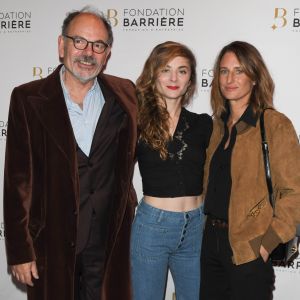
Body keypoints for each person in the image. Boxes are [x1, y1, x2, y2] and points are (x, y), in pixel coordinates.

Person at [4, 6, 137, 300]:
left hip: (108, 247)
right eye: (79, 41)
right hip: (51, 244)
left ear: (108, 53)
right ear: (61, 45)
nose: (88, 52)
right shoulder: (28, 99)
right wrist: (19, 251)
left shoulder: (126, 95)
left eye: (98, 45)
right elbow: (17, 183)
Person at [201, 40, 300, 300]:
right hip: (209, 244)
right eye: (224, 71)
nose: (230, 78)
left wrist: (265, 245)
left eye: (239, 70)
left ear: (255, 77)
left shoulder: (274, 124)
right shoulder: (217, 126)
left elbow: (293, 193)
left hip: (249, 248)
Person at [130, 41, 212, 300]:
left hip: (196, 228)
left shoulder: (203, 124)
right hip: (152, 228)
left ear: (191, 80)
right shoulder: (135, 122)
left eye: (182, 70)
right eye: (166, 70)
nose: (174, 78)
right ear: (153, 74)